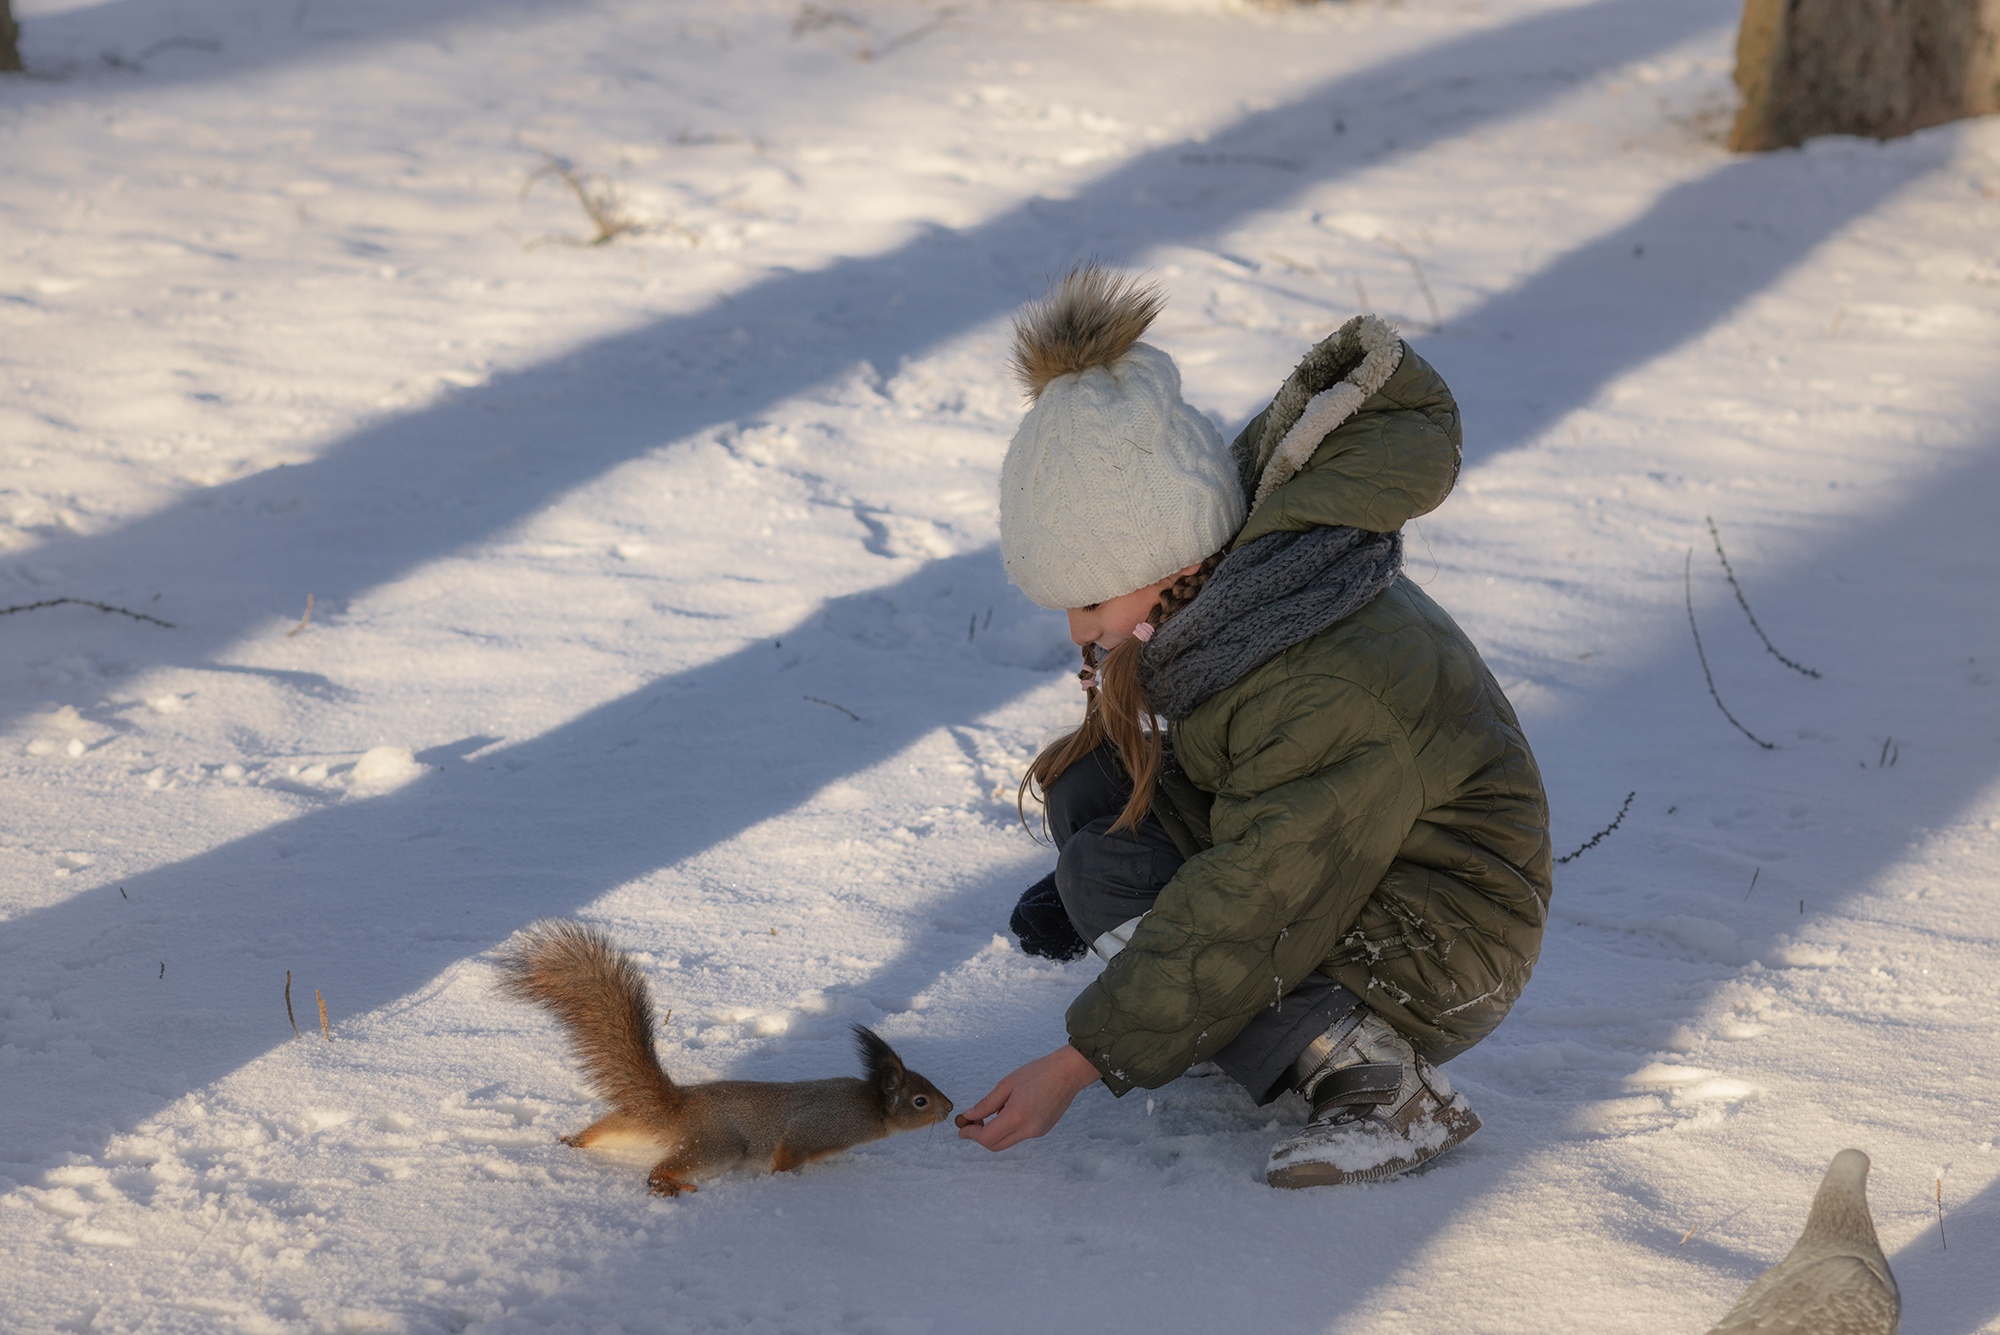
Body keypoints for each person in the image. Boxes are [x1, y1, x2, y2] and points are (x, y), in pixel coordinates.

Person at [953, 264, 1552, 1186]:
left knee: (1141, 885)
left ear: (1167, 556)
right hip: (1371, 873)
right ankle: (1227, 1018)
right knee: (1093, 797)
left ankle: (1381, 1083)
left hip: (1445, 937)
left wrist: (1077, 1063)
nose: (1078, 629)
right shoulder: (1247, 597)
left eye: (1091, 599)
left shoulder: (1318, 677)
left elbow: (1254, 894)